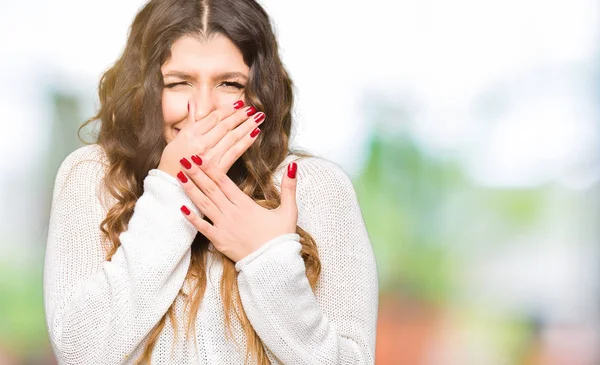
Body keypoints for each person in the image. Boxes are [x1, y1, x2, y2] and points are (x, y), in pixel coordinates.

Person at [43, 0, 379, 363]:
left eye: (230, 84)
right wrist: (171, 190)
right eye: (178, 83)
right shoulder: (94, 176)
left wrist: (267, 258)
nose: (202, 110)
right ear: (144, 89)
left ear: (259, 93)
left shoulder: (316, 187)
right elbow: (80, 352)